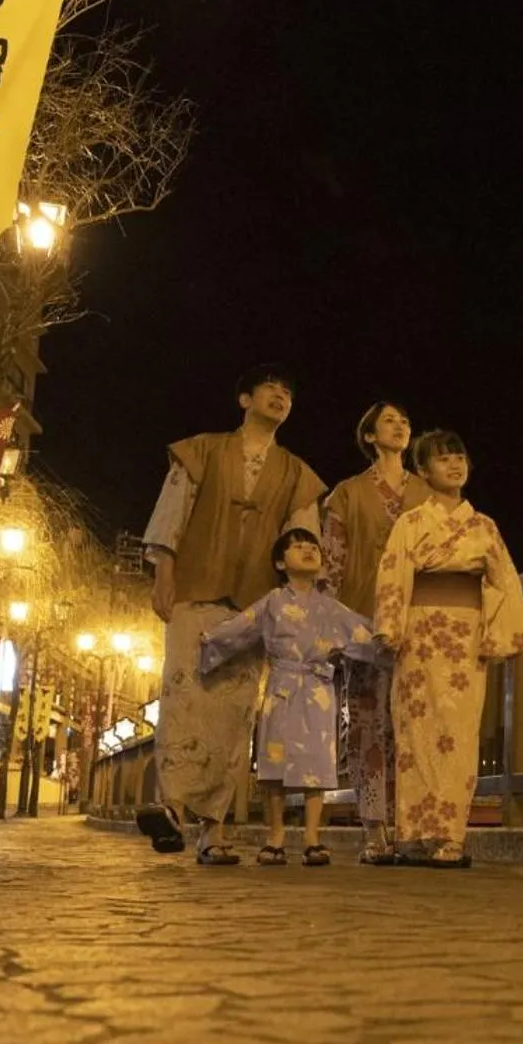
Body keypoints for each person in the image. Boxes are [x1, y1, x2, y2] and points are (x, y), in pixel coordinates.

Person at [138, 365, 326, 865]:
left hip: (254, 603)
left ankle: (213, 830)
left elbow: (302, 542)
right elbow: (170, 513)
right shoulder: (202, 450)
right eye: (270, 389)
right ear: (244, 398)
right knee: (183, 695)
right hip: (195, 590)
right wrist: (163, 576)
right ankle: (172, 806)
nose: (280, 396)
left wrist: (295, 607)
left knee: (235, 713)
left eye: (288, 392)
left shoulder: (296, 474)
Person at [372, 430, 523, 867]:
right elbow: (393, 575)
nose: (454, 465)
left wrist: (511, 633)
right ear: (423, 471)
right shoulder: (410, 523)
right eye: (442, 459)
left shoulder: (484, 526)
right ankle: (413, 836)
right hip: (419, 632)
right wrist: (390, 627)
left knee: (459, 735)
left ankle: (450, 837)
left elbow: (504, 582)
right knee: (414, 732)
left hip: (465, 636)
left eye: (459, 457)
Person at [199, 528, 380, 867]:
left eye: (313, 546)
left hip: (317, 689)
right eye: (298, 547)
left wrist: (391, 638)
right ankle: (276, 835)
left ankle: (312, 836)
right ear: (280, 561)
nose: (308, 551)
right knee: (273, 763)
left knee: (318, 763)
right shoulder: (272, 603)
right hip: (282, 686)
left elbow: (363, 632)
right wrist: (209, 639)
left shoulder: (331, 608)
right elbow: (242, 626)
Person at [319, 401, 428, 864]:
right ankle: (374, 827)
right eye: (389, 421)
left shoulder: (427, 491)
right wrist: (329, 625)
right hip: (362, 619)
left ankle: (412, 824)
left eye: (404, 420)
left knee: (415, 724)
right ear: (369, 436)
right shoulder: (346, 494)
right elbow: (332, 561)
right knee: (367, 725)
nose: (400, 426)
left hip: (420, 621)